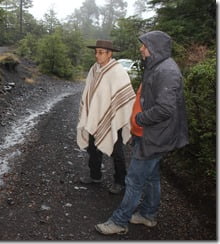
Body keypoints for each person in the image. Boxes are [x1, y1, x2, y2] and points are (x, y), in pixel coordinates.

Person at [95, 30, 189, 235]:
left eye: (144, 45)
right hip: (149, 135)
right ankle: (148, 215)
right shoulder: (157, 67)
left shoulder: (167, 71)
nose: (141, 48)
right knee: (151, 177)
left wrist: (139, 119)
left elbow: (165, 109)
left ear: (155, 48)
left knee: (134, 180)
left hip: (154, 136)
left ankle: (119, 221)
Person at [77, 39, 136, 194]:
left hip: (112, 116)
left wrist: (115, 112)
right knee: (92, 148)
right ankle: (95, 175)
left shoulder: (118, 71)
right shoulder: (94, 69)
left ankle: (120, 181)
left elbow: (126, 96)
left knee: (116, 150)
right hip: (94, 116)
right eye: (96, 52)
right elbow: (90, 92)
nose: (97, 55)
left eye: (101, 52)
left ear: (110, 54)